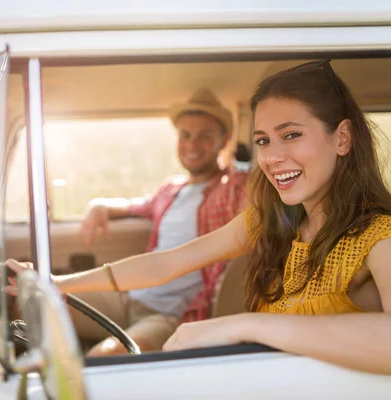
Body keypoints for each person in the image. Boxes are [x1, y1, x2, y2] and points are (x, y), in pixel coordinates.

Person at [8, 59, 391, 375]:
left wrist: (245, 326)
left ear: (343, 138)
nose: (273, 157)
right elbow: (169, 262)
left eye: (291, 134)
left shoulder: (382, 238)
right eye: (263, 140)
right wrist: (57, 282)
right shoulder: (276, 219)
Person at [60, 89, 249, 356]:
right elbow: (136, 206)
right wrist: (99, 204)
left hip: (170, 315)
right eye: (186, 135)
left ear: (224, 140)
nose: (193, 145)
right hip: (130, 297)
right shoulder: (171, 189)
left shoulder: (232, 187)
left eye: (205, 136)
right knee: (37, 305)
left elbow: (255, 192)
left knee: (102, 361)